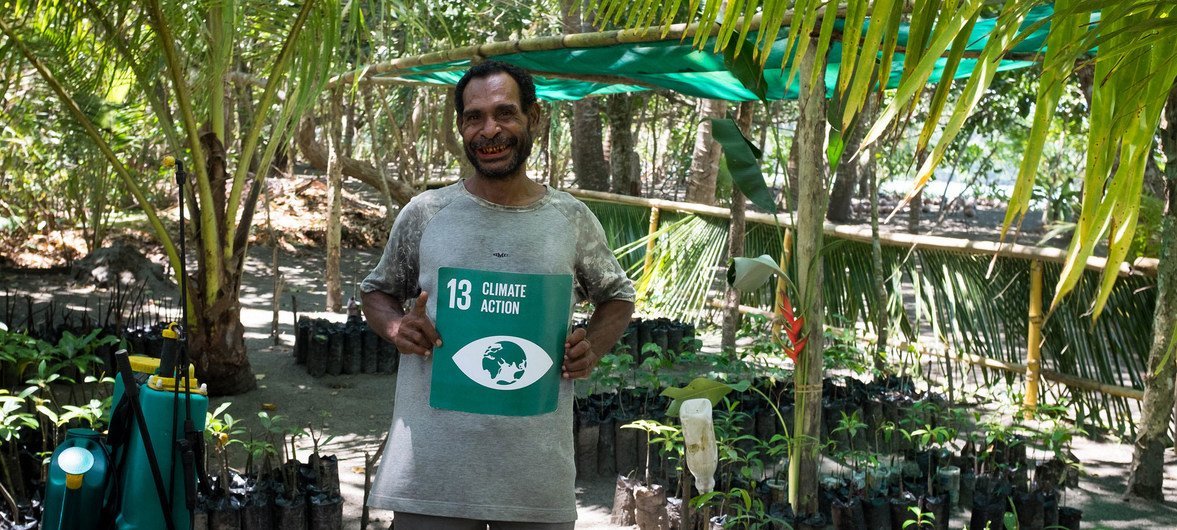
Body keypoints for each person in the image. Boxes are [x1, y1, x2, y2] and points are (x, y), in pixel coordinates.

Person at [359, 60, 635, 529]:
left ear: (535, 118)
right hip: (432, 478)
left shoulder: (568, 219)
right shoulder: (427, 213)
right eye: (474, 117)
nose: (490, 130)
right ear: (461, 127)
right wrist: (396, 326)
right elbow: (377, 291)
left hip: (534, 480)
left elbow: (617, 295)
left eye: (505, 113)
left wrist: (592, 345)